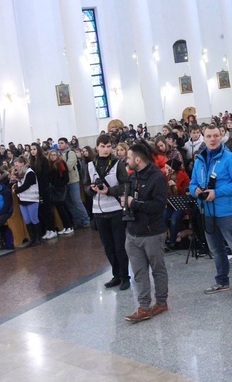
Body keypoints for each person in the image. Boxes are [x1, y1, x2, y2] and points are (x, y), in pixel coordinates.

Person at [189, 124, 232, 301]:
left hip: (226, 212)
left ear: (221, 137)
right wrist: (197, 192)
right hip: (207, 212)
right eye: (209, 136)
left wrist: (217, 192)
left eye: (216, 135)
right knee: (216, 250)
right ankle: (222, 281)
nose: (212, 139)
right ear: (204, 137)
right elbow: (193, 183)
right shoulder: (200, 160)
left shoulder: (230, 158)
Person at [122, 143, 169, 323]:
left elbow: (158, 206)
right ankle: (143, 307)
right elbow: (132, 199)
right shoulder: (133, 177)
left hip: (152, 233)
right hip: (133, 232)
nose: (127, 160)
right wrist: (126, 203)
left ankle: (162, 302)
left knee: (157, 269)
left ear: (138, 159)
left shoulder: (157, 177)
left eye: (129, 157)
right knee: (139, 272)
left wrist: (134, 203)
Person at [84, 134, 130, 291]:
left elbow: (125, 186)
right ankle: (116, 275)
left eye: (108, 146)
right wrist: (91, 189)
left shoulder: (118, 164)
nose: (105, 149)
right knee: (108, 247)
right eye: (102, 146)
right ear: (97, 147)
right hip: (98, 211)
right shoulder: (90, 165)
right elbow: (85, 187)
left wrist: (109, 190)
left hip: (115, 209)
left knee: (119, 246)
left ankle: (125, 276)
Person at [58, 137, 91, 229]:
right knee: (69, 203)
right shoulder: (59, 155)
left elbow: (68, 167)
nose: (60, 145)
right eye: (59, 143)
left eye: (61, 143)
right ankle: (77, 221)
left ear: (66, 144)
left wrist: (59, 165)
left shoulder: (71, 153)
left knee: (77, 201)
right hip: (64, 182)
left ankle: (86, 220)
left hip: (73, 180)